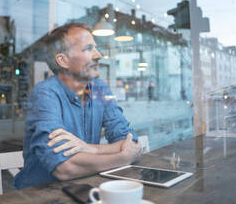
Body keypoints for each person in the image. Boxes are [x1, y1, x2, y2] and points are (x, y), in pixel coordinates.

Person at [14, 23, 142, 189]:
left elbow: (131, 142)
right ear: (63, 60)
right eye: (89, 48)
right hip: (40, 196)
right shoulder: (45, 93)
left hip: (84, 189)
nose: (99, 55)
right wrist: (123, 158)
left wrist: (91, 149)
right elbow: (65, 168)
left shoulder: (100, 88)